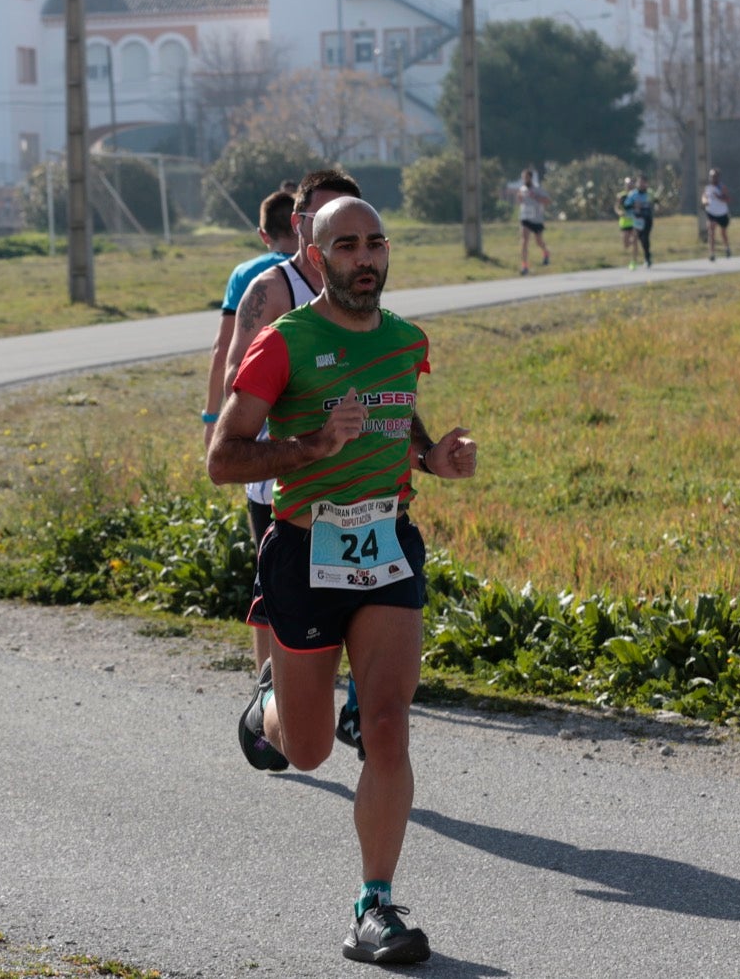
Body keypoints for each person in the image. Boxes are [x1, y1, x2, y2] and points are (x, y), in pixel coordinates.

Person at [208, 195, 478, 966]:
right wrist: (312, 446)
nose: (366, 258)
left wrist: (433, 459)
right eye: (348, 245)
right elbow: (223, 459)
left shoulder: (404, 340)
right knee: (310, 750)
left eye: (377, 244)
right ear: (316, 254)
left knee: (387, 723)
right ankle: (268, 709)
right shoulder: (282, 343)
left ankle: (376, 905)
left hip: (387, 543)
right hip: (304, 550)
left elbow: (399, 415)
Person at [223, 168, 367, 755]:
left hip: (357, 480)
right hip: (285, 483)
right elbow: (240, 377)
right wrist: (306, 410)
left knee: (367, 587)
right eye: (326, 220)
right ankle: (273, 698)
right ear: (301, 226)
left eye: (356, 225)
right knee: (282, 604)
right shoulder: (274, 289)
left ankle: (357, 706)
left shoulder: (362, 285)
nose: (344, 234)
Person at [202, 189, 299, 672]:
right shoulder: (329, 273)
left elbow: (225, 353)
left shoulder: (248, 275)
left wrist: (211, 420)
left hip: (262, 451)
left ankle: (267, 677)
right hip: (310, 450)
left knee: (268, 568)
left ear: (265, 233)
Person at [515, 167, 552, 275]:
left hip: (537, 219)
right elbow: (520, 202)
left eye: (526, 177)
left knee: (538, 241)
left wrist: (535, 196)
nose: (524, 180)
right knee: (524, 241)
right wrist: (519, 198)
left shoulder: (537, 188)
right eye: (523, 178)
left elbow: (548, 201)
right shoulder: (522, 189)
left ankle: (546, 253)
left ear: (530, 178)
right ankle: (525, 267)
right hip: (525, 218)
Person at [623, 175, 654, 268]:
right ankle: (646, 256)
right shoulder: (633, 194)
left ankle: (647, 258)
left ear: (646, 183)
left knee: (646, 237)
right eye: (639, 182)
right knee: (641, 238)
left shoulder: (650, 193)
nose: (641, 184)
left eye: (643, 182)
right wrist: (634, 206)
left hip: (648, 218)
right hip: (638, 219)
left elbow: (655, 202)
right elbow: (626, 206)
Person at [701, 168, 731, 261]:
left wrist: (719, 197)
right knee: (711, 232)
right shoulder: (708, 188)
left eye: (715, 176)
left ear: (718, 177)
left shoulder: (722, 187)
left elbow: (728, 199)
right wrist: (705, 201)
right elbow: (704, 197)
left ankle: (727, 248)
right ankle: (712, 253)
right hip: (711, 213)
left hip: (722, 213)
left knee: (723, 233)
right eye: (711, 176)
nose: (713, 178)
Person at [616, 176, 638, 270]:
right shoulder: (621, 195)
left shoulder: (636, 195)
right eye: (627, 184)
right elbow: (617, 207)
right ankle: (635, 241)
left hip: (635, 221)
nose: (629, 186)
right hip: (624, 222)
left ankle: (633, 262)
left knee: (635, 241)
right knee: (626, 244)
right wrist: (619, 212)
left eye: (630, 184)